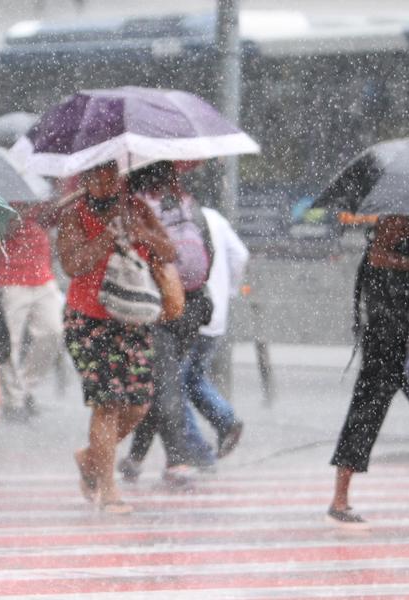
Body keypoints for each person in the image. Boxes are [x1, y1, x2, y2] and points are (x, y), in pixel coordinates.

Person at [58, 161, 175, 514]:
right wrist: (106, 237)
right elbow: (72, 265)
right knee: (107, 404)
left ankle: (91, 458)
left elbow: (170, 253)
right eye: (95, 175)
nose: (104, 182)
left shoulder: (136, 208)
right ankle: (108, 489)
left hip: (133, 319)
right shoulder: (74, 214)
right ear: (85, 179)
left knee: (138, 404)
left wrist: (143, 233)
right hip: (88, 320)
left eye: (110, 174)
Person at [327, 216, 409, 528]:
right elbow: (379, 257)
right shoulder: (401, 214)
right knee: (365, 414)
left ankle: (339, 498)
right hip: (389, 334)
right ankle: (340, 498)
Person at [118, 162, 218, 485]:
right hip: (191, 303)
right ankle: (135, 458)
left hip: (154, 303)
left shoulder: (136, 207)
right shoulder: (188, 203)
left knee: (164, 383)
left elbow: (133, 258)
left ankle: (177, 459)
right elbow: (209, 253)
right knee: (162, 380)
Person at [182, 206, 248, 459]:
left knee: (174, 385)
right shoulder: (214, 217)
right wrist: (228, 290)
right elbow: (241, 255)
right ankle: (225, 420)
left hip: (188, 313)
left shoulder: (174, 217)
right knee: (194, 377)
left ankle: (195, 450)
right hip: (215, 314)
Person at [0, 200, 65, 423]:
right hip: (10, 277)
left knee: (53, 331)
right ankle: (13, 401)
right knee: (10, 342)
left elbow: (56, 216)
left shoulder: (37, 191)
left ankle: (24, 387)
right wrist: (12, 219)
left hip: (43, 275)